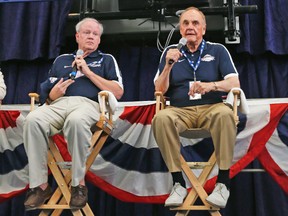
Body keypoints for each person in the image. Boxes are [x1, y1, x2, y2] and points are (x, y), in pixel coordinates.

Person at [23, 17, 124, 210]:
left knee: (76, 120)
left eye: (95, 34)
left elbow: (118, 92)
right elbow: (47, 93)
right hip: (58, 105)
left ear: (99, 40)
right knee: (33, 120)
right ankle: (40, 186)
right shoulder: (62, 60)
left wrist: (88, 72)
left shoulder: (106, 59)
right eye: (87, 32)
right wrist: (53, 94)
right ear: (77, 36)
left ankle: (78, 185)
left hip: (88, 105)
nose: (91, 37)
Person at [152, 7, 240, 209]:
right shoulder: (170, 53)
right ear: (180, 29)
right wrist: (168, 66)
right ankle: (178, 183)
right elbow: (159, 90)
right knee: (161, 118)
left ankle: (223, 184)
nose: (190, 27)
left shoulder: (217, 50)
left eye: (195, 23)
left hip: (211, 108)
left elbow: (234, 83)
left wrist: (212, 86)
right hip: (180, 111)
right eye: (185, 23)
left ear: (204, 29)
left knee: (226, 114)